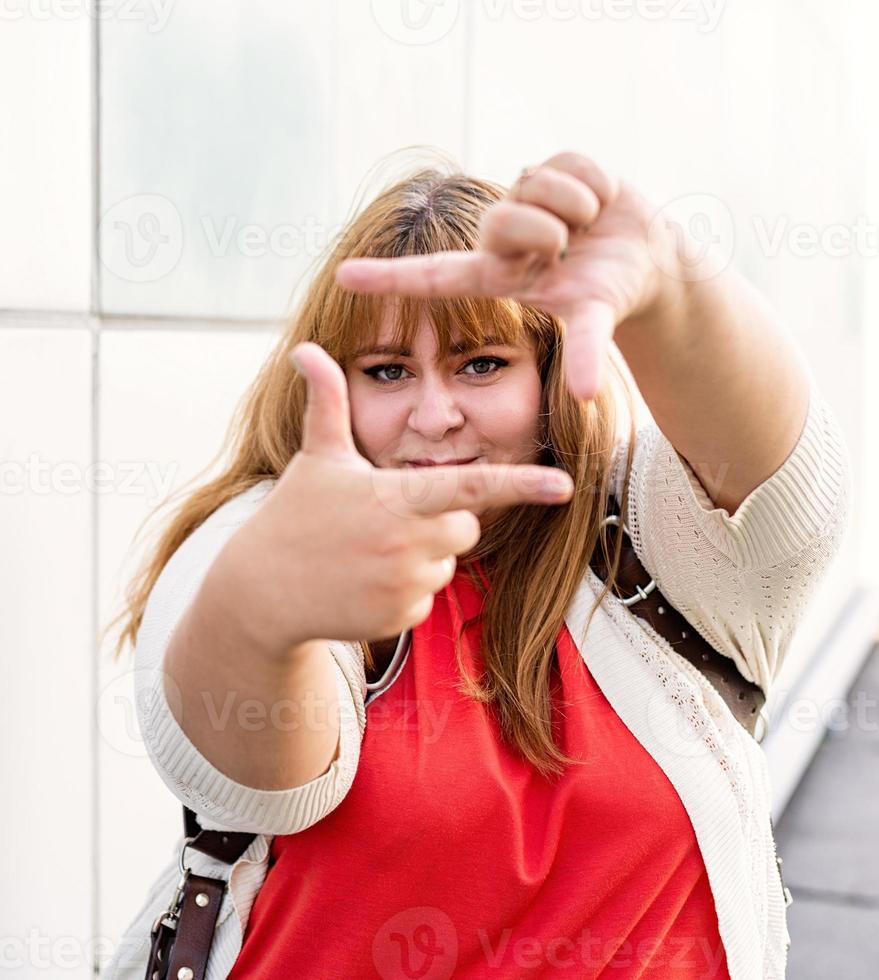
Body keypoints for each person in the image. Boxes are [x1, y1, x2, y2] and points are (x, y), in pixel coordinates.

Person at [105, 151, 851, 979]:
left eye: (481, 364)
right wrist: (261, 610)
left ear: (549, 374)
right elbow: (253, 774)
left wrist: (669, 290)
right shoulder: (261, 534)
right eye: (387, 371)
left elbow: (786, 500)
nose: (434, 414)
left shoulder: (640, 547)